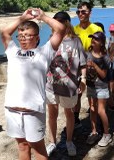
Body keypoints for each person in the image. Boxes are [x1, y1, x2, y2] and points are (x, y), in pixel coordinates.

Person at [0, 8, 66, 160]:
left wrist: (43, 17)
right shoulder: (13, 51)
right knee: (22, 146)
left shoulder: (44, 53)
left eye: (27, 35)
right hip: (12, 109)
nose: (22, 38)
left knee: (39, 150)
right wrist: (21, 19)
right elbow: (4, 32)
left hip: (33, 110)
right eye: (20, 35)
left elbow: (61, 29)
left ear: (37, 38)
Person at [45, 12, 86, 156]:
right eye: (55, 21)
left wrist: (84, 79)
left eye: (61, 21)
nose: (58, 23)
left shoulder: (76, 41)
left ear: (68, 23)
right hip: (51, 84)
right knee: (52, 114)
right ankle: (51, 142)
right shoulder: (52, 39)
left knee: (69, 113)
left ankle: (69, 141)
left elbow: (83, 63)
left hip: (69, 86)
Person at [73, 1, 104, 127]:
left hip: (93, 68)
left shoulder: (97, 29)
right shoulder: (74, 30)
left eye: (84, 11)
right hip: (78, 68)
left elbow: (101, 50)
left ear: (90, 13)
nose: (81, 14)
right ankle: (75, 119)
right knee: (77, 95)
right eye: (78, 12)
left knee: (93, 98)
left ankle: (96, 125)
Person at [85, 32, 113, 147]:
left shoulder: (105, 58)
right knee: (92, 109)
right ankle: (94, 132)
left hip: (101, 87)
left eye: (96, 39)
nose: (93, 41)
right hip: (91, 86)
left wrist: (94, 66)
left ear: (101, 43)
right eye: (92, 38)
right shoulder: (88, 54)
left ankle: (107, 134)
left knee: (101, 111)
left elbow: (103, 75)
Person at [107, 24, 114, 111]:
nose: (113, 33)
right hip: (111, 62)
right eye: (111, 31)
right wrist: (112, 46)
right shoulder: (109, 40)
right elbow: (109, 52)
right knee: (112, 80)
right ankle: (112, 95)